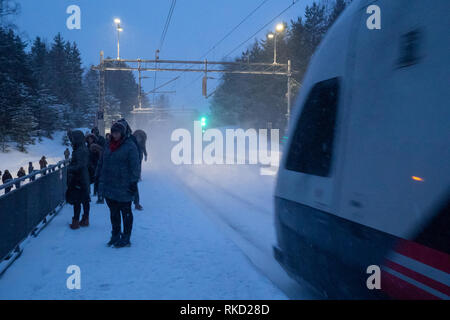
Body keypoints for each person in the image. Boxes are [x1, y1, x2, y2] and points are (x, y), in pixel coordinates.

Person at [97, 119, 140, 248]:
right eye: (113, 132)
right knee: (113, 212)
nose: (115, 135)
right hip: (110, 185)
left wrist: (133, 182)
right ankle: (115, 234)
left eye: (117, 132)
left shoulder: (129, 146)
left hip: (124, 185)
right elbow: (103, 163)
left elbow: (135, 166)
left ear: (123, 133)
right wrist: (99, 178)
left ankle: (126, 237)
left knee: (125, 212)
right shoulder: (108, 145)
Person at [117, 119, 144, 211]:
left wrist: (136, 166)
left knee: (133, 185)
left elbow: (137, 152)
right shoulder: (115, 139)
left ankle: (136, 203)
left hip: (129, 167)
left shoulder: (131, 138)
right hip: (118, 166)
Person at [66, 130, 91, 229]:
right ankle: (84, 219)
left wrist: (69, 168)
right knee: (84, 199)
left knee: (77, 200)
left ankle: (76, 222)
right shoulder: (81, 148)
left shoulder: (80, 150)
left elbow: (80, 165)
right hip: (83, 178)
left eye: (73, 139)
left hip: (79, 179)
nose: (71, 141)